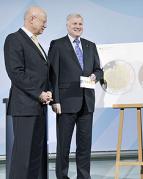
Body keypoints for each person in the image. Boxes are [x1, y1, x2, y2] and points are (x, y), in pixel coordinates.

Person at [48, 13, 103, 179]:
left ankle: (84, 176)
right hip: (65, 103)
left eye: (80, 23)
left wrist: (96, 76)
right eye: (74, 23)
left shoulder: (90, 45)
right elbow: (52, 74)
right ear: (67, 25)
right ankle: (62, 176)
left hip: (87, 102)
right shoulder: (57, 45)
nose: (78, 26)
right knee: (63, 145)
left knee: (84, 146)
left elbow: (99, 69)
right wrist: (55, 100)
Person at [4, 6, 52, 179]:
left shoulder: (36, 42)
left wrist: (48, 93)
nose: (46, 25)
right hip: (24, 108)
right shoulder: (14, 39)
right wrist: (39, 93)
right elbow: (16, 73)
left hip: (39, 108)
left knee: (35, 158)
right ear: (32, 19)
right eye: (43, 21)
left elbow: (41, 73)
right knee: (22, 158)